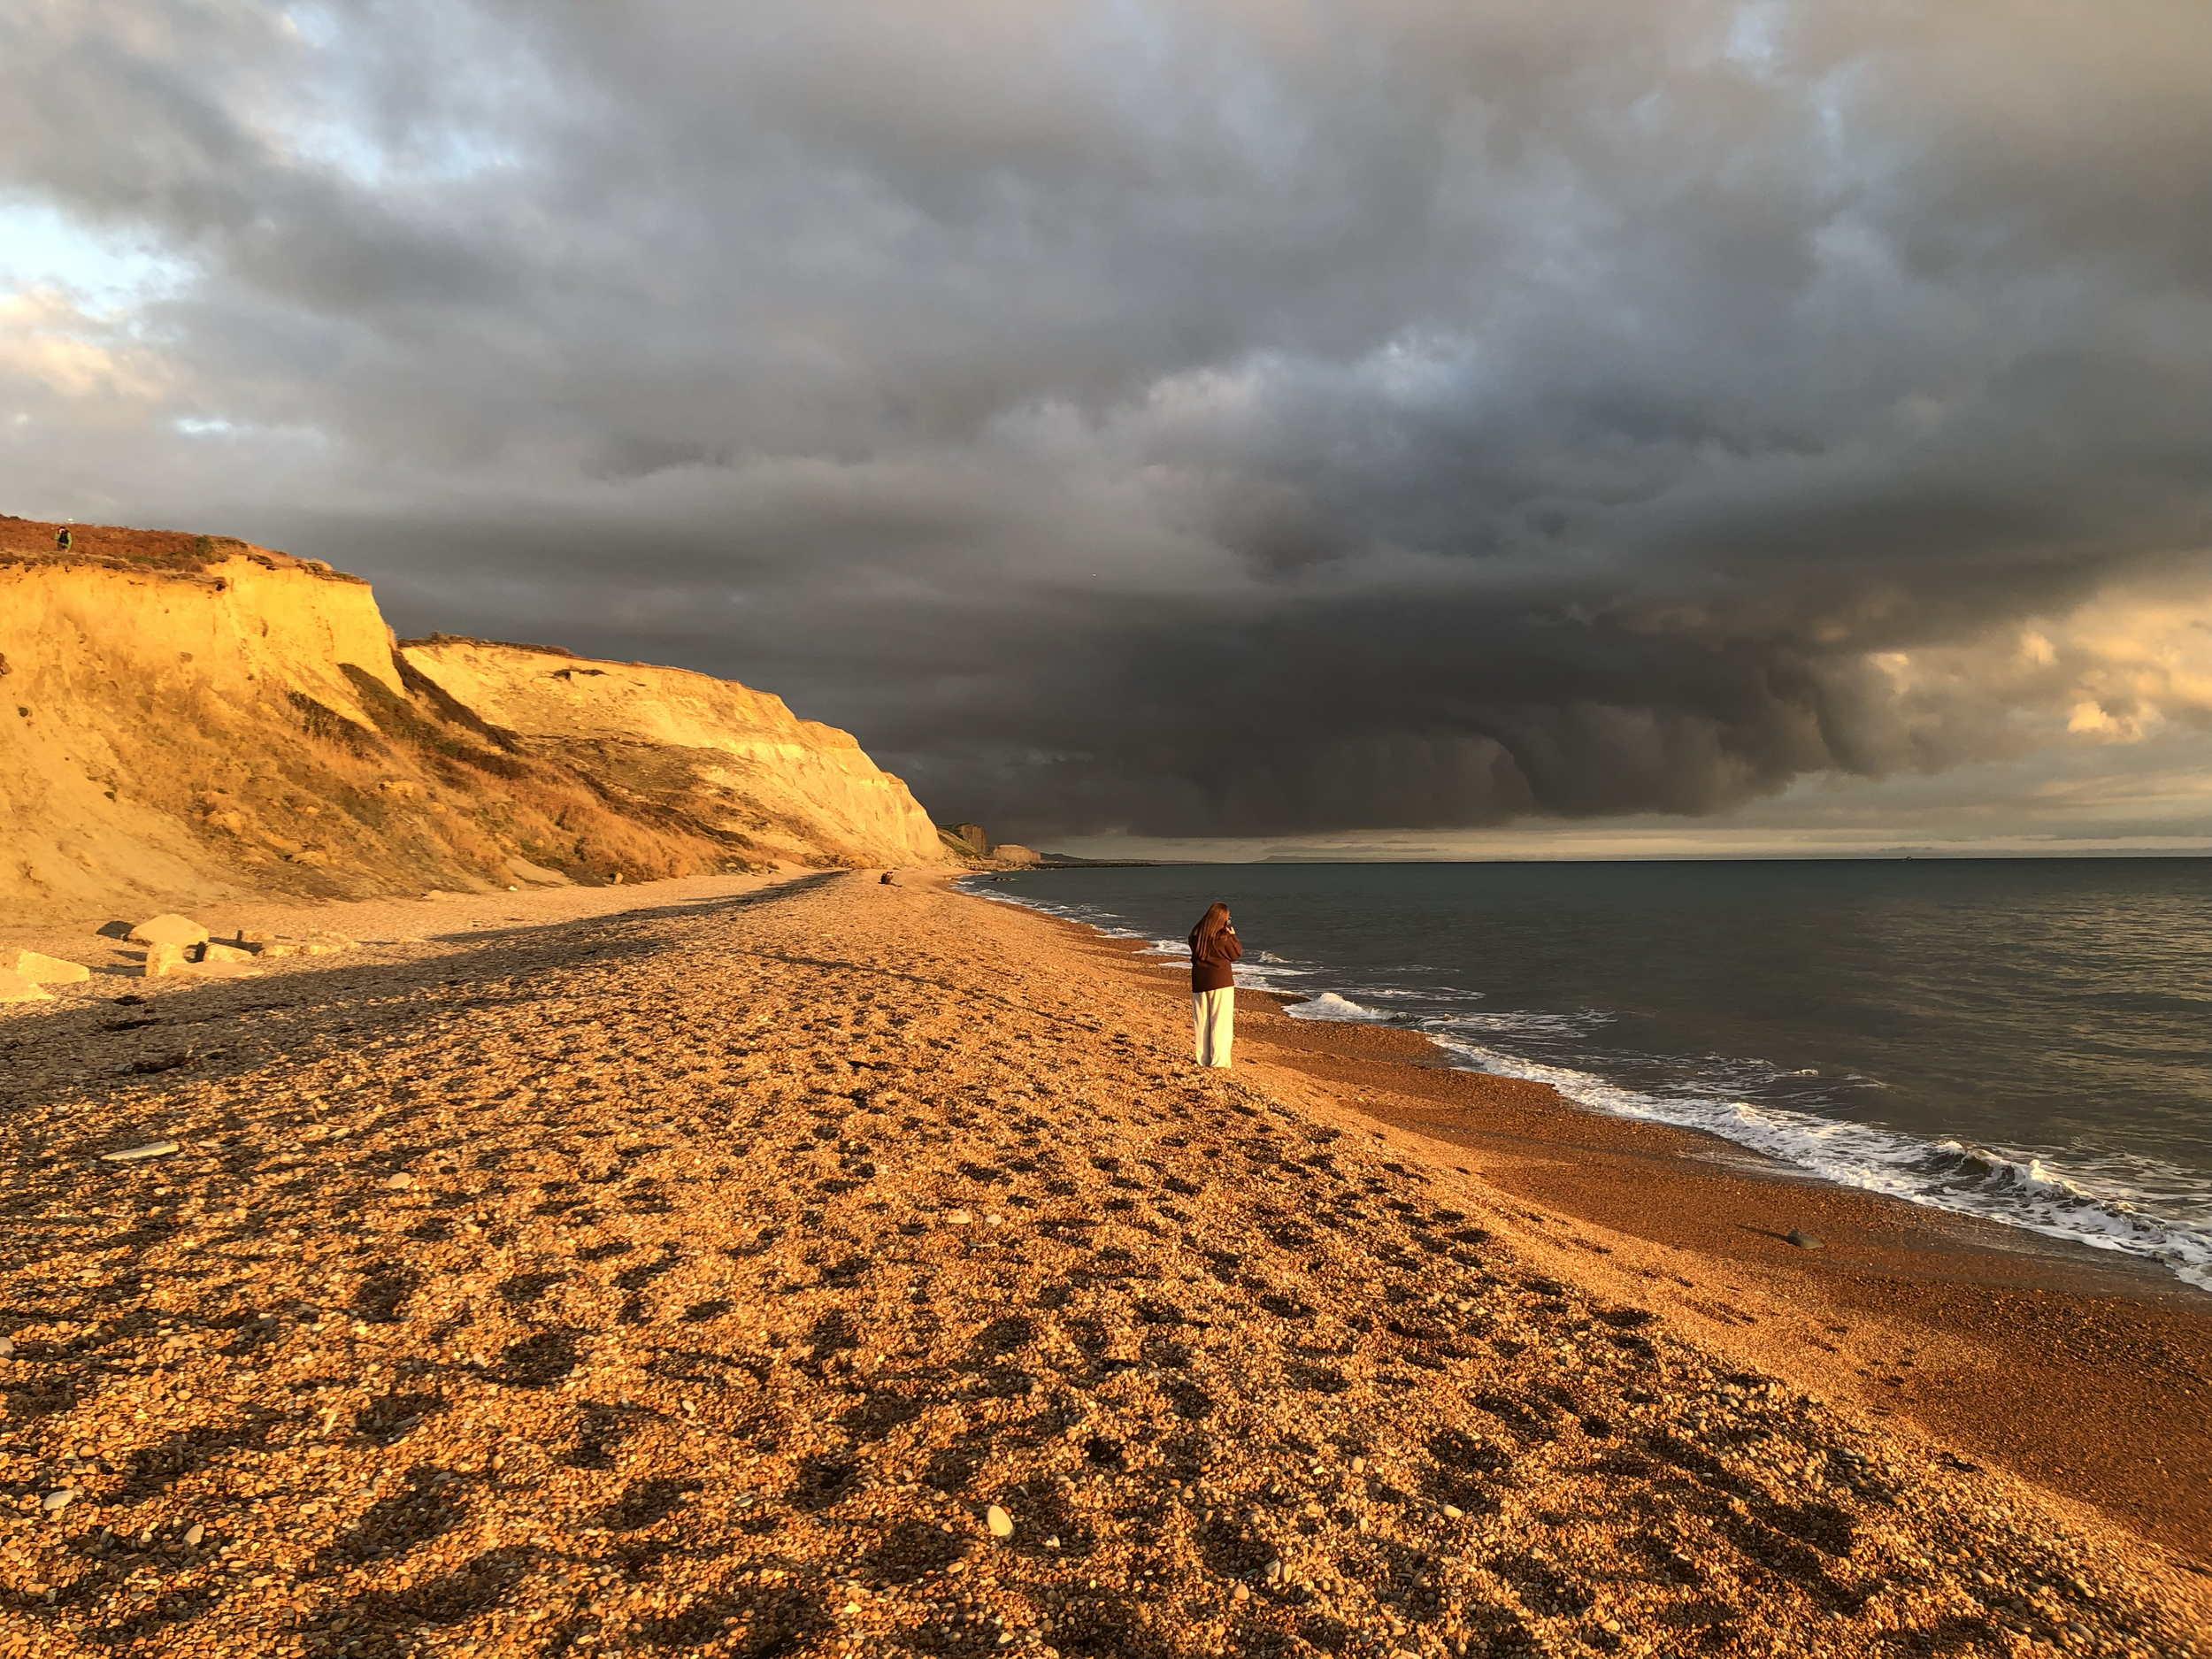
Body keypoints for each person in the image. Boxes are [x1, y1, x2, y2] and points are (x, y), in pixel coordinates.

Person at [1187, 901, 1242, 1068]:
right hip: (1220, 981)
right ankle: (1219, 1061)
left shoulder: (1196, 936)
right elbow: (1236, 954)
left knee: (1202, 1021)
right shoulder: (1222, 937)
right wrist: (1232, 935)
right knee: (1220, 1021)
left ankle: (1203, 1059)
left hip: (1200, 981)